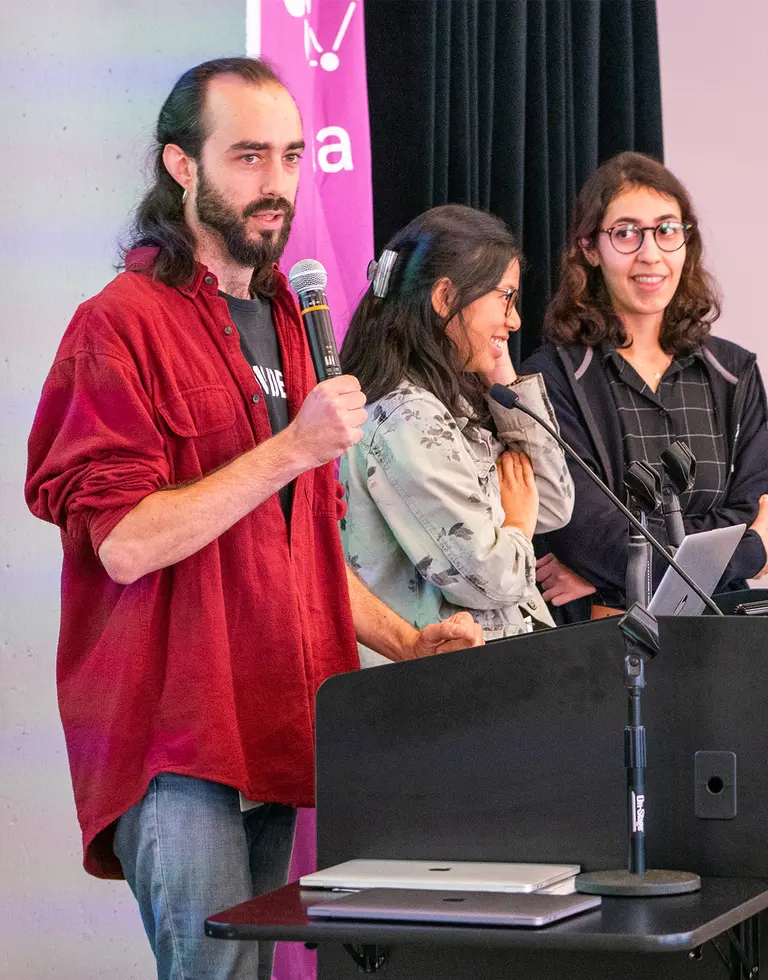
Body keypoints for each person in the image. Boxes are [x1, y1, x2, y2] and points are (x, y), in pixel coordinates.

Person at [24, 58, 482, 980]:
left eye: (291, 156)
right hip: (177, 735)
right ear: (181, 166)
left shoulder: (293, 319)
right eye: (247, 157)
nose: (276, 183)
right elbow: (125, 544)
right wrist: (290, 448)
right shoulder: (118, 325)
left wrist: (405, 642)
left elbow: (301, 545)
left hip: (275, 720)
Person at [522, 152, 768, 621]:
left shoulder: (734, 373)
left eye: (667, 230)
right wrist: (750, 551)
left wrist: (621, 571)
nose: (651, 254)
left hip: (724, 635)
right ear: (590, 249)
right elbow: (590, 538)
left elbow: (750, 511)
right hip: (606, 639)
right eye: (626, 233)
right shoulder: (553, 378)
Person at [338, 205, 574, 664]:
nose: (515, 321)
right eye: (505, 298)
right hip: (434, 685)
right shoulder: (405, 415)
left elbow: (553, 501)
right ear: (445, 298)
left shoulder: (454, 399)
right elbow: (491, 580)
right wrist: (517, 525)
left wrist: (503, 376)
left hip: (483, 676)